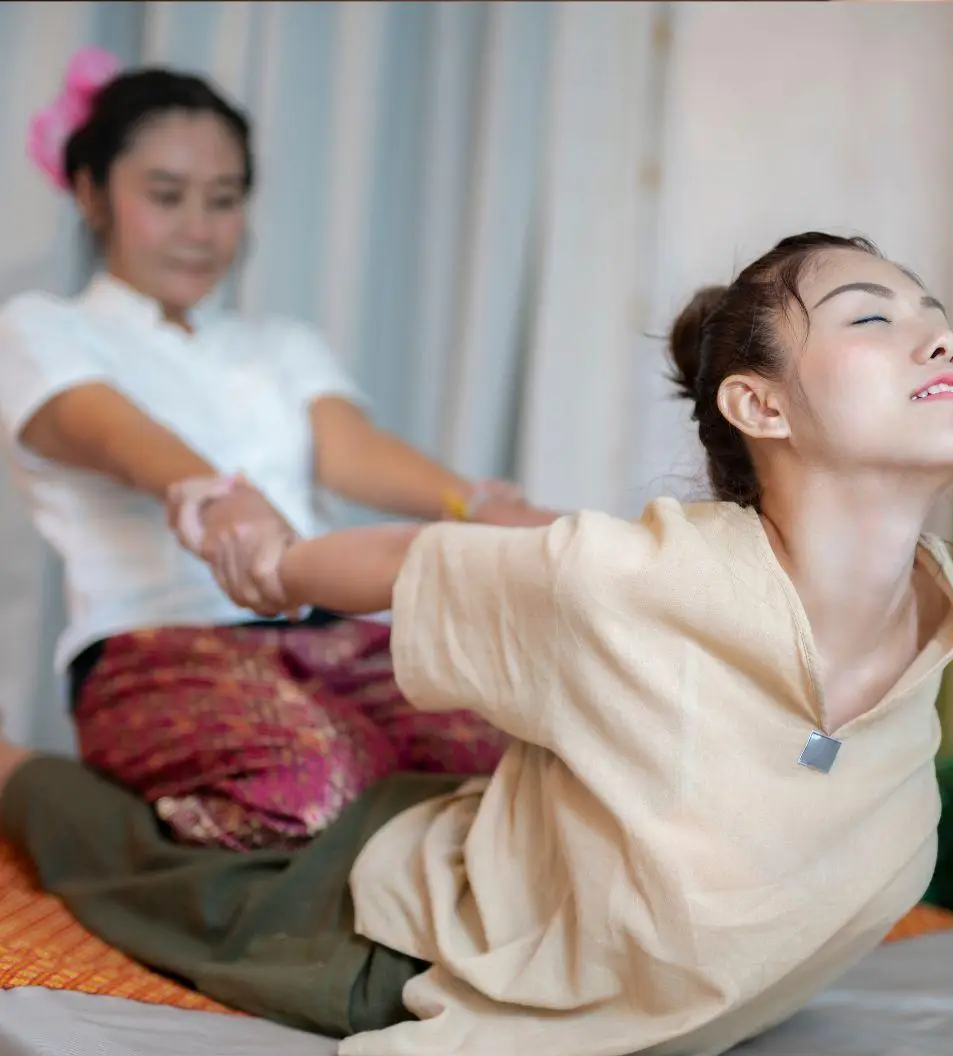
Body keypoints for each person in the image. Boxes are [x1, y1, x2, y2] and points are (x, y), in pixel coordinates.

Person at [0, 229, 953, 1056]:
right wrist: (277, 563)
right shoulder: (640, 580)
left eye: (934, 316)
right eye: (872, 316)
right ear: (760, 406)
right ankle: (17, 772)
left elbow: (402, 486)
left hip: (388, 708)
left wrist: (477, 503)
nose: (941, 337)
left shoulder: (932, 625)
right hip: (420, 942)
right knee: (230, 864)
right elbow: (420, 559)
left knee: (456, 755)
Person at [0, 49, 556, 851]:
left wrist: (481, 506)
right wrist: (222, 501)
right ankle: (48, 795)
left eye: (224, 199)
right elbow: (117, 434)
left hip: (331, 632)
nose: (199, 229)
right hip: (155, 646)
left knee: (513, 764)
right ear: (91, 193)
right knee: (316, 786)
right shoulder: (41, 329)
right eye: (166, 196)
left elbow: (350, 450)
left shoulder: (279, 343)